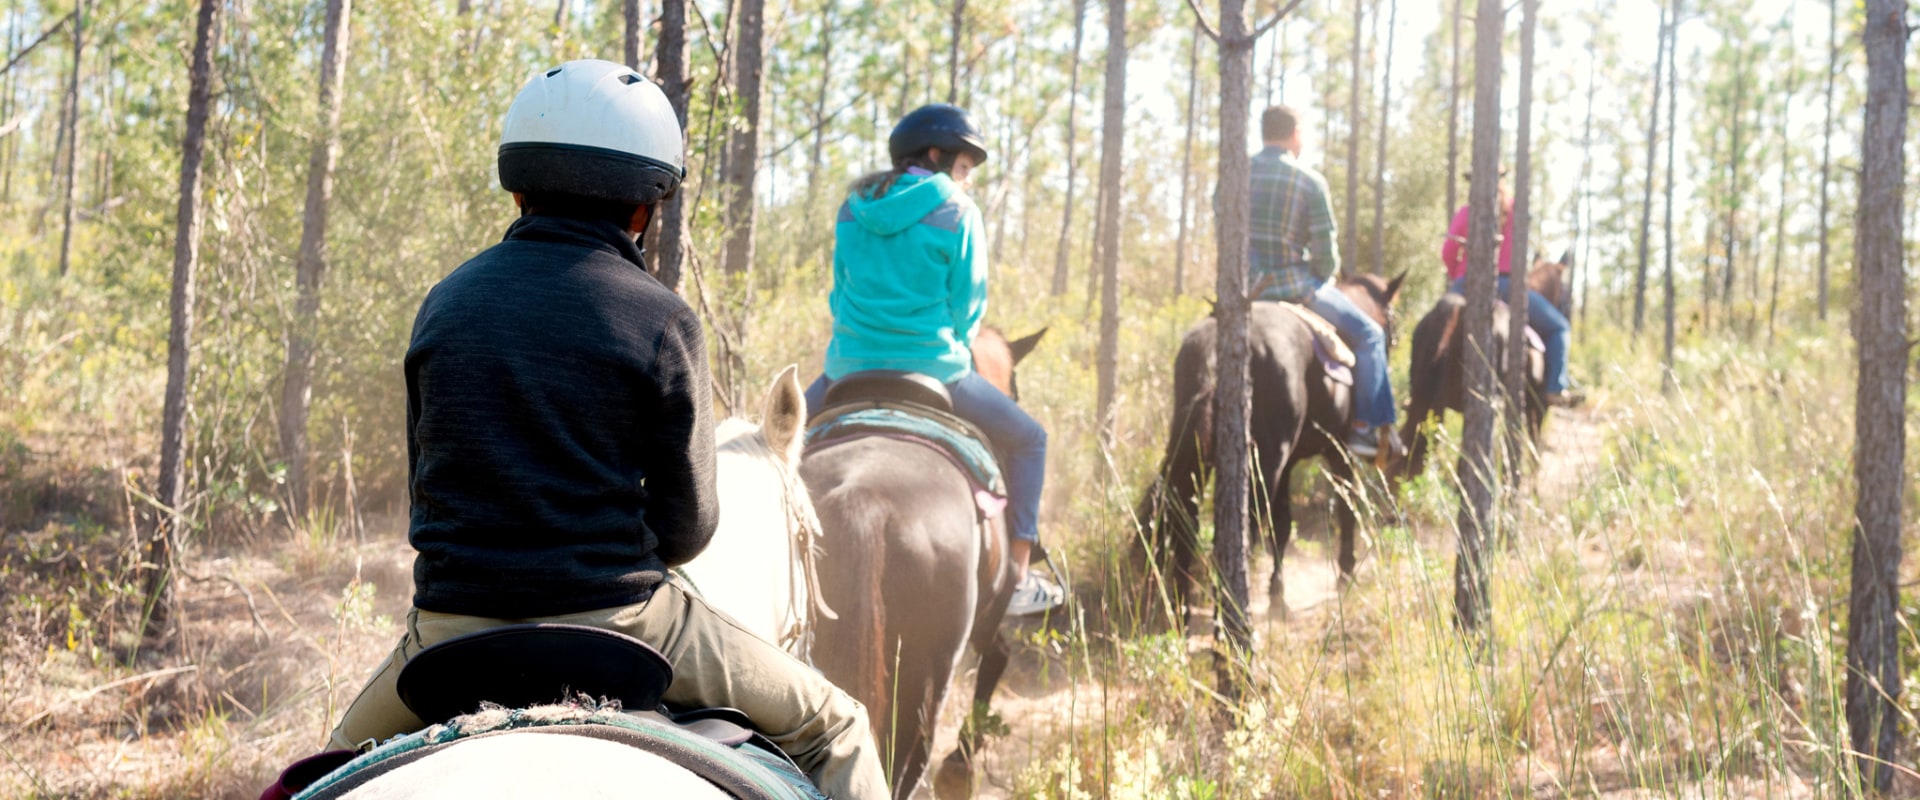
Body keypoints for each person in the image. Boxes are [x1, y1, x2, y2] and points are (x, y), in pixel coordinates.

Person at [325, 59, 888, 800]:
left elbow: (425, 490)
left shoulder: (445, 304)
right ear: (642, 212)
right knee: (837, 725)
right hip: (627, 624)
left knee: (325, 767)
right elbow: (689, 530)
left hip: (451, 629)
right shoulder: (663, 321)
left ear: (518, 188)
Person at [801, 103, 1064, 617]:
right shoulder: (958, 210)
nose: (966, 180)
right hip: (936, 368)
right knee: (1032, 440)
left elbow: (839, 294)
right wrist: (953, 343)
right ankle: (1019, 573)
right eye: (965, 168)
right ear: (938, 156)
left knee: (771, 449)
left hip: (846, 368)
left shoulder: (853, 206)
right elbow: (970, 307)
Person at [1248, 105, 1397, 458]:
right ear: (1295, 134)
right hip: (1295, 290)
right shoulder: (1308, 181)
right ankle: (1365, 430)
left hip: (1243, 293)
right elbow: (1326, 255)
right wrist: (1319, 277)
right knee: (1370, 334)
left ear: (1263, 132)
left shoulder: (1233, 175)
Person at [1440, 176, 1581, 407]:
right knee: (1559, 327)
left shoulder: (1466, 212)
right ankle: (1556, 388)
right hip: (1505, 287)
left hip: (1465, 284)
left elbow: (1448, 251)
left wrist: (1459, 275)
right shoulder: (1516, 210)